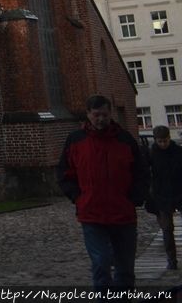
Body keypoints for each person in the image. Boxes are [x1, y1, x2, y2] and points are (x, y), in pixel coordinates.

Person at [57, 94, 149, 291]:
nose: (101, 119)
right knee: (101, 263)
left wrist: (134, 198)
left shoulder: (124, 140)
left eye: (105, 115)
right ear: (88, 114)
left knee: (125, 268)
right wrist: (78, 198)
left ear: (111, 114)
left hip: (122, 213)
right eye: (96, 115)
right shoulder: (76, 141)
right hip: (92, 213)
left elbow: (141, 171)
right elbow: (65, 173)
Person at [148, 124, 182, 270]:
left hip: (179, 192)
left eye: (165, 140)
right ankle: (171, 260)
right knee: (167, 229)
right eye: (160, 141)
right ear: (156, 140)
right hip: (161, 195)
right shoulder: (151, 154)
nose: (163, 144)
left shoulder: (178, 152)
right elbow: (147, 175)